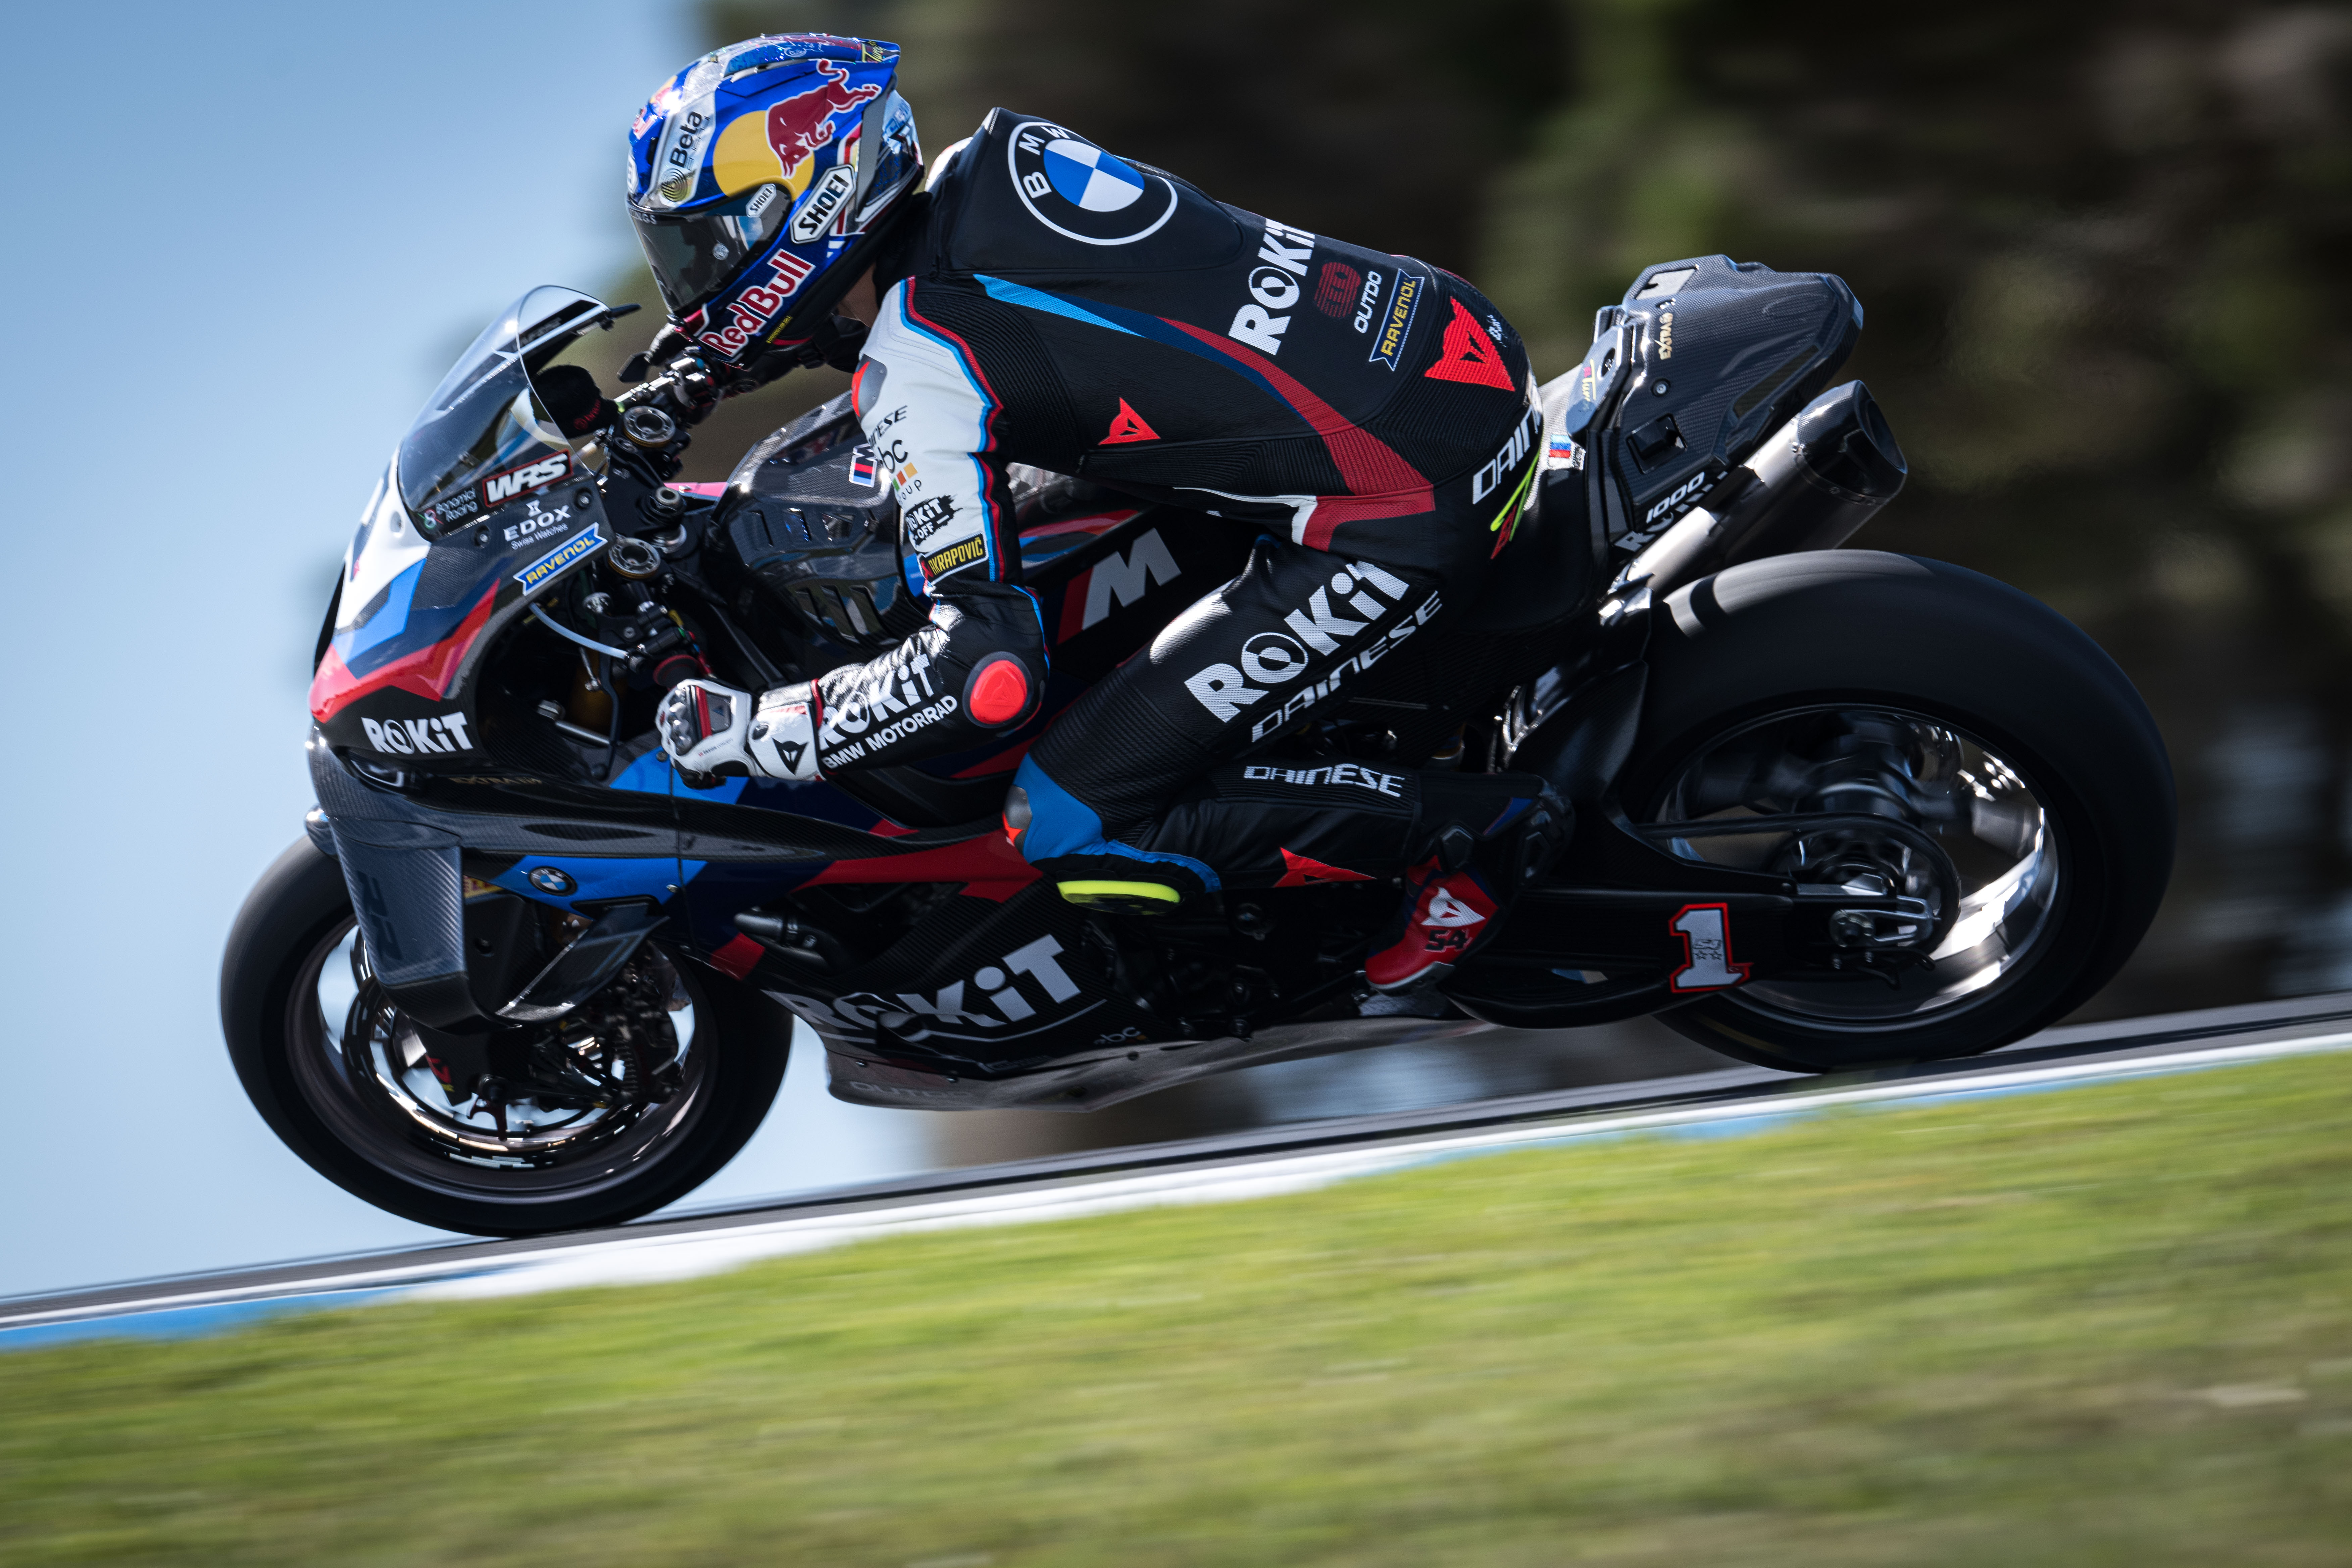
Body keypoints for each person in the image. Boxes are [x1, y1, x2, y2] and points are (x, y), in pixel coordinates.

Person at [637, 34, 1560, 994]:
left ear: (807, 201)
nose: (695, 283)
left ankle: (1469, 833)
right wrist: (703, 372)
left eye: (705, 246)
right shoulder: (994, 160)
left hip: (1405, 499)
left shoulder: (921, 359)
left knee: (1065, 820)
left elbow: (983, 677)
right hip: (1451, 339)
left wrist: (765, 730)